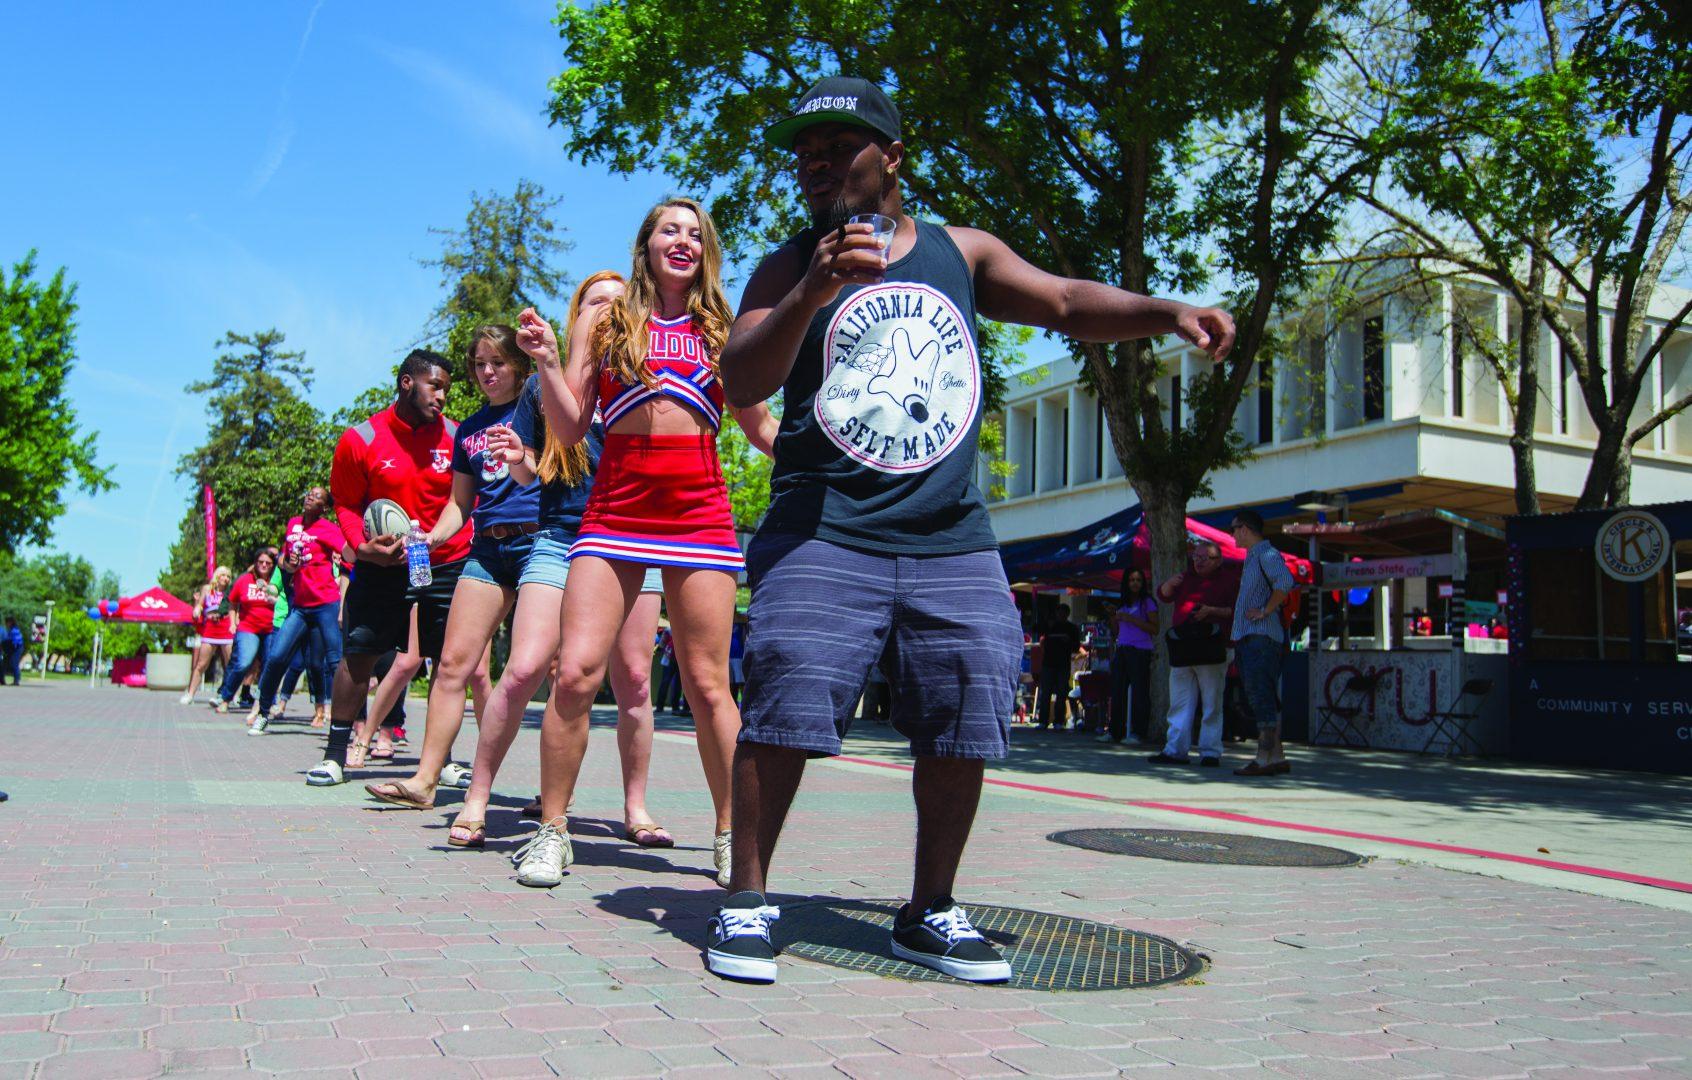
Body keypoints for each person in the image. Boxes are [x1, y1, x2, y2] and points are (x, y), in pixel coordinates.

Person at [707, 76, 1236, 984]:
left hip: (951, 534)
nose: (816, 163)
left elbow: (1065, 301)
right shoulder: (789, 261)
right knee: (787, 707)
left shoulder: (962, 251)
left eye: (838, 146)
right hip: (823, 529)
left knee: (967, 713)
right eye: (805, 152)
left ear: (892, 159)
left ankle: (931, 909)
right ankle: (749, 899)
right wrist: (813, 289)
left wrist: (1167, 312)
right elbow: (743, 378)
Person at [511, 201, 777, 889]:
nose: (682, 241)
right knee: (575, 674)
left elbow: (756, 425)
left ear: (706, 251)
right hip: (616, 506)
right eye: (670, 229)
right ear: (646, 244)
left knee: (709, 683)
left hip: (698, 510)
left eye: (695, 233)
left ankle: (732, 835)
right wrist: (544, 360)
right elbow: (569, 433)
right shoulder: (608, 321)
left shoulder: (724, 330)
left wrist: (824, 458)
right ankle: (552, 830)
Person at [360, 324, 535, 810]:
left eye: (496, 362)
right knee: (453, 664)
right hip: (487, 550)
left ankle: (550, 792)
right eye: (479, 364)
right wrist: (430, 536)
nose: (486, 372)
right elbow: (460, 503)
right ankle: (425, 780)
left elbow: (553, 469)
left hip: (543, 544)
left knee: (550, 669)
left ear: (518, 366)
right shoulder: (471, 431)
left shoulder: (538, 407)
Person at [300, 350, 472, 787]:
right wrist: (362, 546)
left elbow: (464, 501)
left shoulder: (457, 438)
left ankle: (442, 760)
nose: (443, 397)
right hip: (382, 567)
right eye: (436, 385)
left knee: (447, 663)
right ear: (406, 383)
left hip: (443, 561)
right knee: (359, 657)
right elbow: (346, 503)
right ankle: (336, 755)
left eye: (448, 389)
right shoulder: (360, 438)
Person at [251, 488, 346, 735]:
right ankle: (263, 713)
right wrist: (288, 564)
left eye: (316, 497)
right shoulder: (293, 525)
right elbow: (284, 561)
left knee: (334, 663)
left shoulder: (328, 529)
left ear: (324, 508)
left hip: (326, 603)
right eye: (308, 494)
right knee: (276, 657)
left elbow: (348, 553)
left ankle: (347, 724)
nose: (309, 498)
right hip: (301, 607)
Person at [1147, 542, 1239, 768]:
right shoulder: (1185, 577)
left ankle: (1210, 752)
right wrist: (1168, 584)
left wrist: (1212, 611)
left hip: (1213, 649)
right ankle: (1175, 750)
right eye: (1196, 556)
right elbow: (1163, 595)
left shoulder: (1230, 581)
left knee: (1212, 703)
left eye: (1204, 557)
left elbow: (1238, 611)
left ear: (1218, 560)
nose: (1198, 561)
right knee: (1180, 702)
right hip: (1184, 649)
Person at [1228, 511, 1296, 777]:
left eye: (1234, 529)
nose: (1232, 534)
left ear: (1245, 529)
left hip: (1261, 638)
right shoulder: (1254, 556)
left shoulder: (1266, 554)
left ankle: (1264, 757)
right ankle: (1275, 756)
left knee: (1260, 696)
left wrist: (1265, 611)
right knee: (1259, 695)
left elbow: (1285, 581)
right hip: (1252, 637)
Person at [213, 549, 277, 715]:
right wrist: (233, 622)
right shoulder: (244, 580)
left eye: (268, 563)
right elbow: (232, 602)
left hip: (271, 628)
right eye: (261, 562)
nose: (264, 565)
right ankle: (226, 698)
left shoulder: (277, 580)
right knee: (243, 662)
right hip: (248, 628)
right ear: (255, 563)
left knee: (270, 665)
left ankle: (266, 703)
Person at [1103, 568, 1157, 744]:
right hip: (1123, 648)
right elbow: (1116, 630)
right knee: (1117, 691)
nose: (1135, 583)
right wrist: (1113, 616)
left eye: (1138, 580)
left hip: (1141, 650)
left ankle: (1138, 732)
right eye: (1132, 580)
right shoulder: (1122, 603)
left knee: (1140, 692)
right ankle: (1114, 731)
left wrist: (1131, 619)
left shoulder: (1147, 602)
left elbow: (1155, 628)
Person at [180, 566, 234, 705]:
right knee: (201, 664)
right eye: (223, 575)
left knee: (230, 664)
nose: (226, 578)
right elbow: (200, 605)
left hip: (226, 628)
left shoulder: (230, 591)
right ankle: (190, 694)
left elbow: (235, 608)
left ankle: (230, 696)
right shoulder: (207, 589)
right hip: (210, 628)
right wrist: (197, 609)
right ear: (217, 576)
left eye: (228, 576)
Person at [1035, 604, 1082, 729]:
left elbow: (1076, 647)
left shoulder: (1072, 628)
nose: (1060, 615)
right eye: (1059, 613)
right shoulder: (1050, 626)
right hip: (1048, 663)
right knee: (1046, 693)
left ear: (1067, 614)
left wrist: (1068, 641)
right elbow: (1036, 629)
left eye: (1063, 613)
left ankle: (1059, 721)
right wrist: (1047, 624)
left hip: (1063, 664)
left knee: (1061, 693)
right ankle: (1043, 721)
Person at [1, 617, 22, 686]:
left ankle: (16, 681)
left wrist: (9, 648)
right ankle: (2, 680)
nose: (6, 624)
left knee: (14, 664)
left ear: (10, 622)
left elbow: (16, 641)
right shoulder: (11, 630)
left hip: (16, 649)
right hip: (12, 649)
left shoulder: (14, 630)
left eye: (7, 622)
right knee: (4, 664)